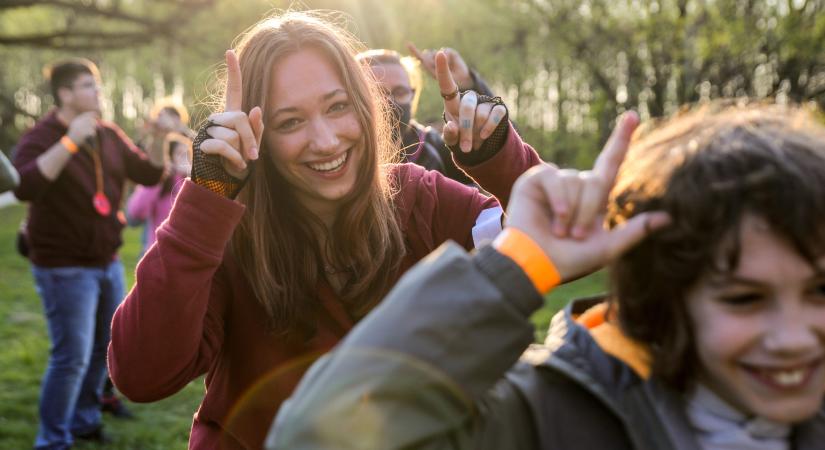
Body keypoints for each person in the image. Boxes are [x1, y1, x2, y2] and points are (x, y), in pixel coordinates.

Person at [267, 102, 825, 450]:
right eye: (745, 299)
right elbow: (321, 435)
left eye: (819, 291)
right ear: (665, 299)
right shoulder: (546, 419)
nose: (796, 336)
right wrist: (517, 264)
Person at [108, 11, 544, 450]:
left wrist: (500, 159)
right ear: (254, 134)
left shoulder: (419, 197)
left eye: (337, 107)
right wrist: (204, 200)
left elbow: (557, 238)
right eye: (290, 122)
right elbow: (143, 376)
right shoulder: (226, 229)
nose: (326, 141)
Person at [12, 57, 165, 449]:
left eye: (96, 85)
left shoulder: (109, 134)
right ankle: (52, 440)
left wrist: (161, 139)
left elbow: (150, 173)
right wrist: (70, 140)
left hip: (106, 261)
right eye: (87, 86)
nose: (97, 92)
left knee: (104, 349)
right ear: (65, 93)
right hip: (63, 266)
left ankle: (83, 421)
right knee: (71, 357)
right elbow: (24, 186)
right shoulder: (42, 135)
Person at [357, 45, 497, 184]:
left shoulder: (432, 147)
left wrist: (466, 83)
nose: (388, 102)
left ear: (413, 96)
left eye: (400, 92)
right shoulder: (341, 157)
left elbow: (502, 174)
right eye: (376, 93)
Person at [127, 133, 192, 253]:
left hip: (186, 255)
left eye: (187, 154)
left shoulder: (194, 183)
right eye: (179, 154)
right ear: (169, 157)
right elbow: (135, 212)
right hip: (157, 254)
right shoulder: (160, 184)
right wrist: (159, 177)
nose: (185, 159)